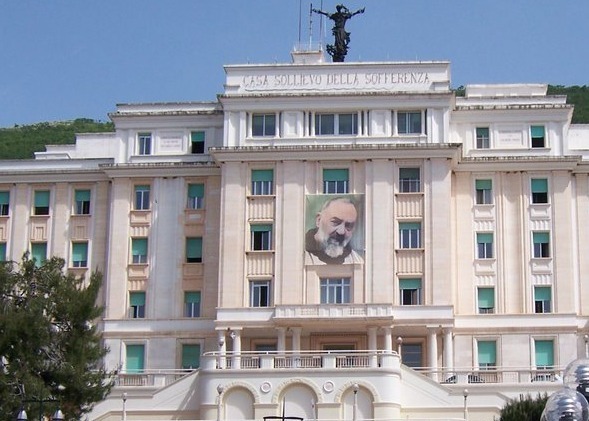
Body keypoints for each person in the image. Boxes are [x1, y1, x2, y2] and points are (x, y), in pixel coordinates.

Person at [305, 197, 362, 264]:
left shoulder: (356, 260)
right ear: (319, 220)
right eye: (335, 222)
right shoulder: (299, 253)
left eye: (348, 225)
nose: (341, 232)